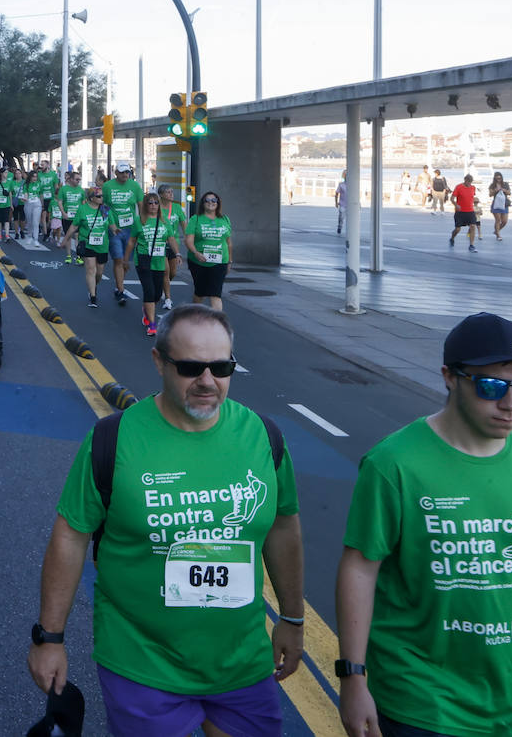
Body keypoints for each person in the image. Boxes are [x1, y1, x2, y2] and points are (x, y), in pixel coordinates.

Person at [29, 305, 305, 737]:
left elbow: (284, 528)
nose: (207, 381)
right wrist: (50, 638)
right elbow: (71, 536)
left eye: (221, 366)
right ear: (158, 362)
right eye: (191, 367)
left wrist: (292, 617)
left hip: (242, 663)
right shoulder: (113, 439)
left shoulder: (263, 437)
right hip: (143, 663)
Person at [336, 312, 512, 737]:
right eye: (492, 387)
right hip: (419, 701)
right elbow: (360, 568)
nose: (511, 405)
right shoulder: (393, 464)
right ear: (450, 377)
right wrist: (353, 678)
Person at [60, 183, 116, 308]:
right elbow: (74, 226)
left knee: (99, 272)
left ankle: (93, 286)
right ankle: (93, 296)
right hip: (87, 243)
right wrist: (65, 239)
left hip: (102, 245)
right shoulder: (83, 209)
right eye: (99, 196)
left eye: (102, 196)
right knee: (91, 269)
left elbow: (111, 224)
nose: (102, 198)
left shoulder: (105, 210)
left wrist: (116, 231)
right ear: (91, 198)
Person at [130, 193, 172, 337]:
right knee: (148, 290)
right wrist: (124, 260)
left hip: (159, 261)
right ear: (146, 205)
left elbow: (171, 238)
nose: (153, 205)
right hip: (143, 259)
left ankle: (146, 310)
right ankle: (152, 324)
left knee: (156, 294)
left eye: (156, 203)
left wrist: (178, 254)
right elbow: (131, 241)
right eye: (150, 203)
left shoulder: (164, 220)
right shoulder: (139, 220)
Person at [185, 191, 232, 311]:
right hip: (198, 261)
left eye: (213, 200)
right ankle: (195, 316)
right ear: (203, 203)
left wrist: (229, 261)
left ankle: (217, 323)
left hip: (220, 261)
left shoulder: (225, 219)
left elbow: (228, 242)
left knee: (215, 293)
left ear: (218, 203)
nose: (211, 203)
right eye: (207, 200)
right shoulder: (195, 219)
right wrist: (196, 252)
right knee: (200, 292)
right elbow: (188, 241)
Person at [104, 162, 144, 307]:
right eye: (122, 172)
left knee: (126, 261)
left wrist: (142, 226)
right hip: (114, 228)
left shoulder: (135, 186)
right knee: (118, 259)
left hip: (131, 229)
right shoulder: (108, 186)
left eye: (127, 172)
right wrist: (112, 225)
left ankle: (118, 284)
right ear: (116, 173)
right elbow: (105, 207)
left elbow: (141, 207)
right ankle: (121, 290)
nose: (125, 175)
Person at [157, 185, 187, 310]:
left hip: (173, 244)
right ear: (161, 194)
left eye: (171, 192)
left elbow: (184, 225)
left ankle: (162, 286)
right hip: (160, 243)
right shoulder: (156, 207)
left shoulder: (177, 208)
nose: (171, 194)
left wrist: (188, 238)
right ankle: (168, 299)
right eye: (168, 192)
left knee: (173, 272)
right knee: (166, 271)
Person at [55, 171, 86, 259]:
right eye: (76, 179)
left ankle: (79, 256)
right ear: (71, 179)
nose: (78, 181)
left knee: (77, 236)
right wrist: (63, 213)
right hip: (67, 217)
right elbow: (60, 202)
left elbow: (83, 203)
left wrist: (84, 215)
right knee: (68, 236)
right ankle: (68, 255)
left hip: (78, 218)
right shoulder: (63, 189)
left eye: (79, 179)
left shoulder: (81, 190)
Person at [449, 172, 478, 252]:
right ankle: (452, 238)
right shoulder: (458, 187)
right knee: (458, 229)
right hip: (460, 212)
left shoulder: (473, 188)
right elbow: (452, 198)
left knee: (473, 226)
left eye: (470, 182)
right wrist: (456, 205)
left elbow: (472, 197)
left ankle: (471, 245)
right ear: (465, 180)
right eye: (468, 181)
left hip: (470, 211)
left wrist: (476, 202)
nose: (469, 183)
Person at [488, 171, 511, 241]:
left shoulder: (505, 184)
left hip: (504, 204)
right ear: (495, 178)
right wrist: (495, 190)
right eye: (497, 178)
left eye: (500, 178)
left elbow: (509, 193)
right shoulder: (492, 185)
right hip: (496, 204)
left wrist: (504, 190)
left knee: (504, 221)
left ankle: (496, 231)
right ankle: (498, 234)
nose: (499, 179)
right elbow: (490, 194)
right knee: (498, 220)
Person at [334, 170, 348, 234]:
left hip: (350, 205)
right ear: (344, 177)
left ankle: (350, 230)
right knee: (341, 218)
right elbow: (336, 193)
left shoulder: (353, 185)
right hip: (342, 204)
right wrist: (336, 203)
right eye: (346, 176)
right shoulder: (341, 185)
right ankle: (339, 227)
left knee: (350, 219)